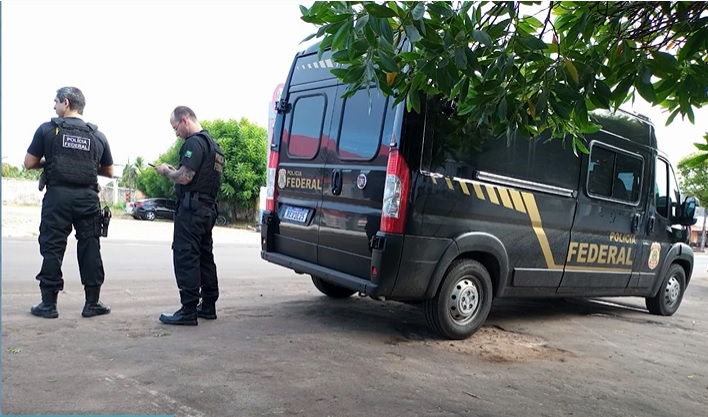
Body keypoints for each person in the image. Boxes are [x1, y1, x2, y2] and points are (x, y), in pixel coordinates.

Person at [24, 86, 113, 319]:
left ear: (66, 102)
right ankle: (92, 303)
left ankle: (48, 305)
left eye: (55, 101)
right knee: (90, 247)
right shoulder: (98, 136)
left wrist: (52, 160)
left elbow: (29, 163)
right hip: (87, 199)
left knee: (52, 247)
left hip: (57, 198)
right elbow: (109, 171)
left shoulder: (47, 130)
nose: (53, 106)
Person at [156, 106, 225, 325]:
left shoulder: (194, 143)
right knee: (204, 256)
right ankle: (208, 306)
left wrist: (166, 172)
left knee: (186, 255)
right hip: (207, 210)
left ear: (185, 120)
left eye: (175, 127)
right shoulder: (215, 146)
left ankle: (188, 310)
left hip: (192, 210)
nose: (176, 133)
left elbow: (185, 177)